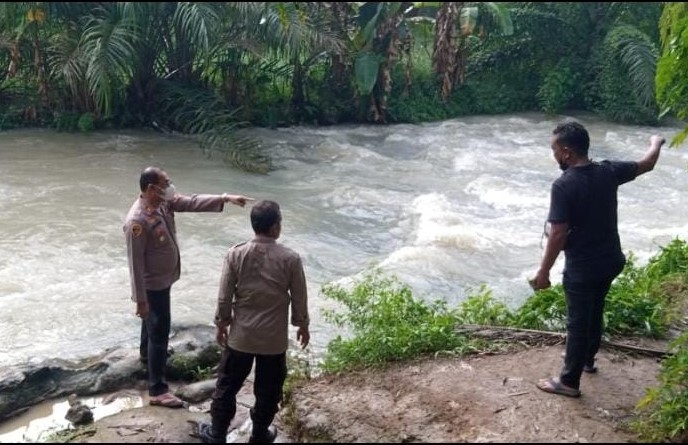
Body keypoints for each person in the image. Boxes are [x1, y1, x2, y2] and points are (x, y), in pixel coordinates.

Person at [531, 121, 665, 398]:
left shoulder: (564, 185)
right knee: (595, 310)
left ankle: (569, 381)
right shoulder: (609, 171)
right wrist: (656, 142)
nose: (554, 155)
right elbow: (648, 163)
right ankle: (588, 360)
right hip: (611, 260)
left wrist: (543, 272)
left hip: (583, 267)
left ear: (566, 152)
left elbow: (557, 234)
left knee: (578, 322)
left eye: (554, 150)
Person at [124, 166, 254, 408]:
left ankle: (146, 355)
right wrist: (140, 300)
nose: (171, 185)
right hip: (152, 285)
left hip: (163, 279)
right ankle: (157, 390)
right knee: (160, 332)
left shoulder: (162, 203)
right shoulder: (137, 221)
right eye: (166, 182)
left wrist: (224, 198)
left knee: (152, 327)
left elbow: (190, 202)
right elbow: (135, 265)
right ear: (152, 188)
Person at [198, 199, 310, 444]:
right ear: (275, 228)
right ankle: (259, 433)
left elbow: (224, 294)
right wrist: (302, 324)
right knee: (269, 389)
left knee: (227, 385)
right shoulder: (290, 258)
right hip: (273, 340)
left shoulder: (236, 254)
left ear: (254, 226)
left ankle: (217, 433)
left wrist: (221, 323)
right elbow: (299, 296)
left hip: (241, 336)